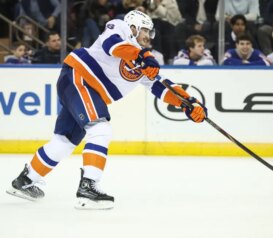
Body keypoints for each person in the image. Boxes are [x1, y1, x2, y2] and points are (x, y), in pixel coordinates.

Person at [6, 10, 207, 210]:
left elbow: (161, 86)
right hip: (78, 78)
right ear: (134, 27)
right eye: (145, 30)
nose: (148, 36)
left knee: (64, 142)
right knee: (100, 129)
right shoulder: (118, 28)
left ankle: (26, 180)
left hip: (83, 90)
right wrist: (142, 56)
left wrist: (188, 103)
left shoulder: (144, 61)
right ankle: (88, 187)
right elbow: (113, 46)